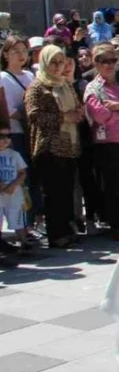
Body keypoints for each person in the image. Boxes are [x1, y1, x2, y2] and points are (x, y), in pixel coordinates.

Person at [24, 44, 82, 248]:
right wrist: (63, 117)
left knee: (66, 191)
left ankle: (66, 229)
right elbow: (33, 115)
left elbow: (76, 105)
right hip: (49, 146)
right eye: (53, 63)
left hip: (69, 145)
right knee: (53, 193)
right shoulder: (37, 86)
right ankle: (56, 234)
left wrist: (78, 113)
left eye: (61, 62)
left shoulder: (64, 84)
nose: (58, 67)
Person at [84, 43, 119, 235]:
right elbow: (99, 115)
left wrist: (118, 106)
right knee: (114, 185)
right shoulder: (93, 88)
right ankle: (117, 224)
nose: (110, 65)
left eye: (114, 60)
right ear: (96, 64)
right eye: (105, 62)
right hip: (107, 144)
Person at [1, 36, 39, 228]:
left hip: (31, 133)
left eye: (24, 50)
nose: (21, 55)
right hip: (14, 133)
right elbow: (7, 110)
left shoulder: (31, 76)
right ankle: (21, 225)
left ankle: (32, 220)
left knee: (32, 178)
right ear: (6, 54)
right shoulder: (3, 77)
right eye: (15, 51)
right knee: (18, 178)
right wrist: (28, 116)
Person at [0, 124, 30, 251]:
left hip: (14, 192)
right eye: (1, 136)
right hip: (1, 192)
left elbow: (22, 172)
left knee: (18, 217)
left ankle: (24, 241)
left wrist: (13, 185)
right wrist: (3, 186)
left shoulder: (14, 154)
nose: (5, 139)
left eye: (9, 136)